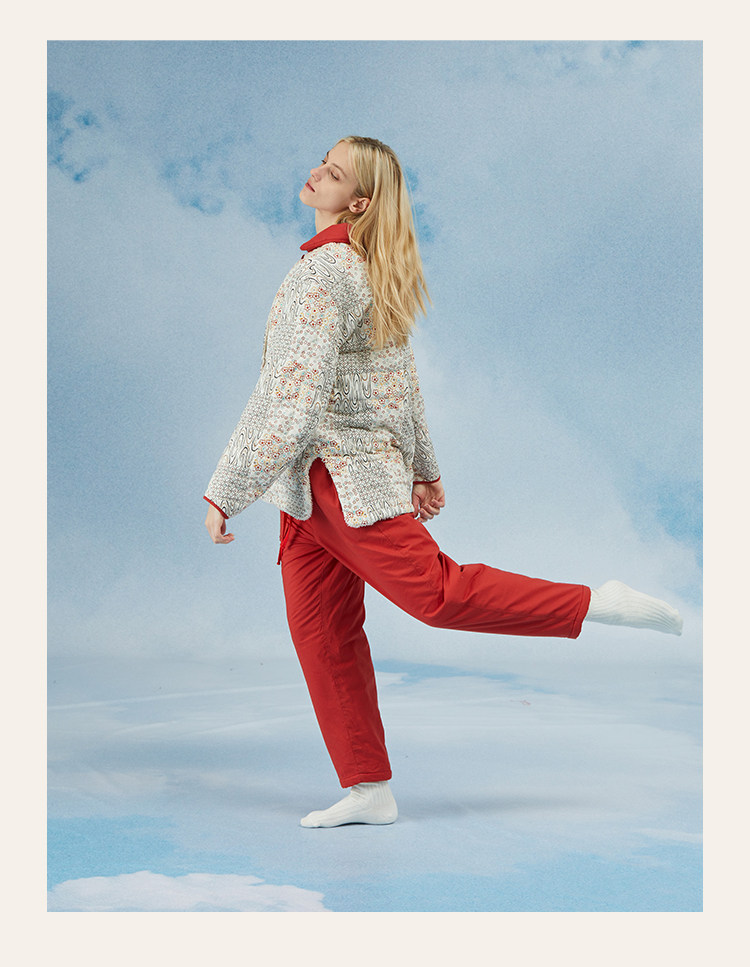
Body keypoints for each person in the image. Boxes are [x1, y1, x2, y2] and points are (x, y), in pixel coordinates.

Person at [204, 136, 683, 829]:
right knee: (322, 633)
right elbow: (397, 382)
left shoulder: (327, 274)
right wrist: (424, 468)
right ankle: (368, 787)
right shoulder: (356, 267)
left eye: (333, 174)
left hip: (342, 480)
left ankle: (595, 603)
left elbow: (292, 399)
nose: (315, 174)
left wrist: (227, 487)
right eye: (322, 163)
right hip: (304, 491)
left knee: (436, 594)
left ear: (358, 203)